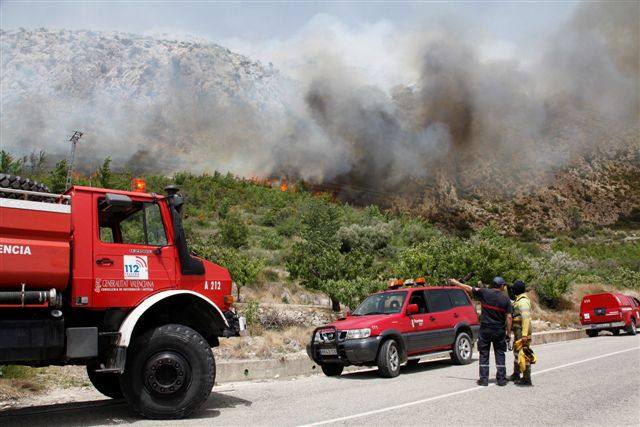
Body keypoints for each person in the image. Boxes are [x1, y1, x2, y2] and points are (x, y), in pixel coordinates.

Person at [448, 276, 513, 386]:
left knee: (484, 353)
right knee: (500, 353)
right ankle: (501, 379)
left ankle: (484, 379)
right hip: (499, 330)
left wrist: (455, 283)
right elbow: (509, 317)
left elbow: (468, 288)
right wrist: (508, 333)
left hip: (485, 329)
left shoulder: (484, 292)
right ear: (501, 286)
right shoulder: (505, 299)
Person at [509, 279, 533, 386]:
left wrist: (524, 335)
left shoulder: (523, 301)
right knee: (517, 352)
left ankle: (527, 378)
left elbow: (526, 318)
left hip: (522, 330)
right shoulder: (519, 300)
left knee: (524, 353)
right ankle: (516, 374)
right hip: (518, 330)